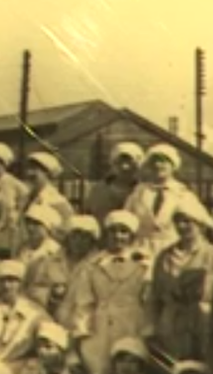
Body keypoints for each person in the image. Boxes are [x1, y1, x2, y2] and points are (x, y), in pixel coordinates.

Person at [68, 211, 150, 374]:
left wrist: (146, 331)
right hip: (100, 329)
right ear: (105, 235)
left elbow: (149, 300)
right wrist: (81, 332)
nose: (118, 236)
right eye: (113, 231)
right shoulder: (91, 265)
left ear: (132, 236)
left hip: (132, 325)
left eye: (123, 231)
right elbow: (84, 303)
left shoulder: (144, 264)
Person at [145, 194, 213, 364]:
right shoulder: (164, 256)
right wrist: (151, 326)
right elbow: (155, 296)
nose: (182, 226)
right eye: (178, 221)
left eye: (188, 221)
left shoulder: (210, 254)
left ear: (201, 224)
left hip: (203, 323)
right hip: (171, 323)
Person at [123, 144, 194, 255]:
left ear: (173, 165)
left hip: (174, 249)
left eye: (163, 161)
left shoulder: (183, 194)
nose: (157, 165)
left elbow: (198, 225)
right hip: (140, 249)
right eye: (153, 161)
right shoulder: (138, 193)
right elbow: (125, 222)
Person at [82, 143, 143, 227]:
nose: (124, 167)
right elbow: (87, 217)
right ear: (112, 163)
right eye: (120, 162)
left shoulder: (144, 191)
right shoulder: (98, 190)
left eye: (130, 162)